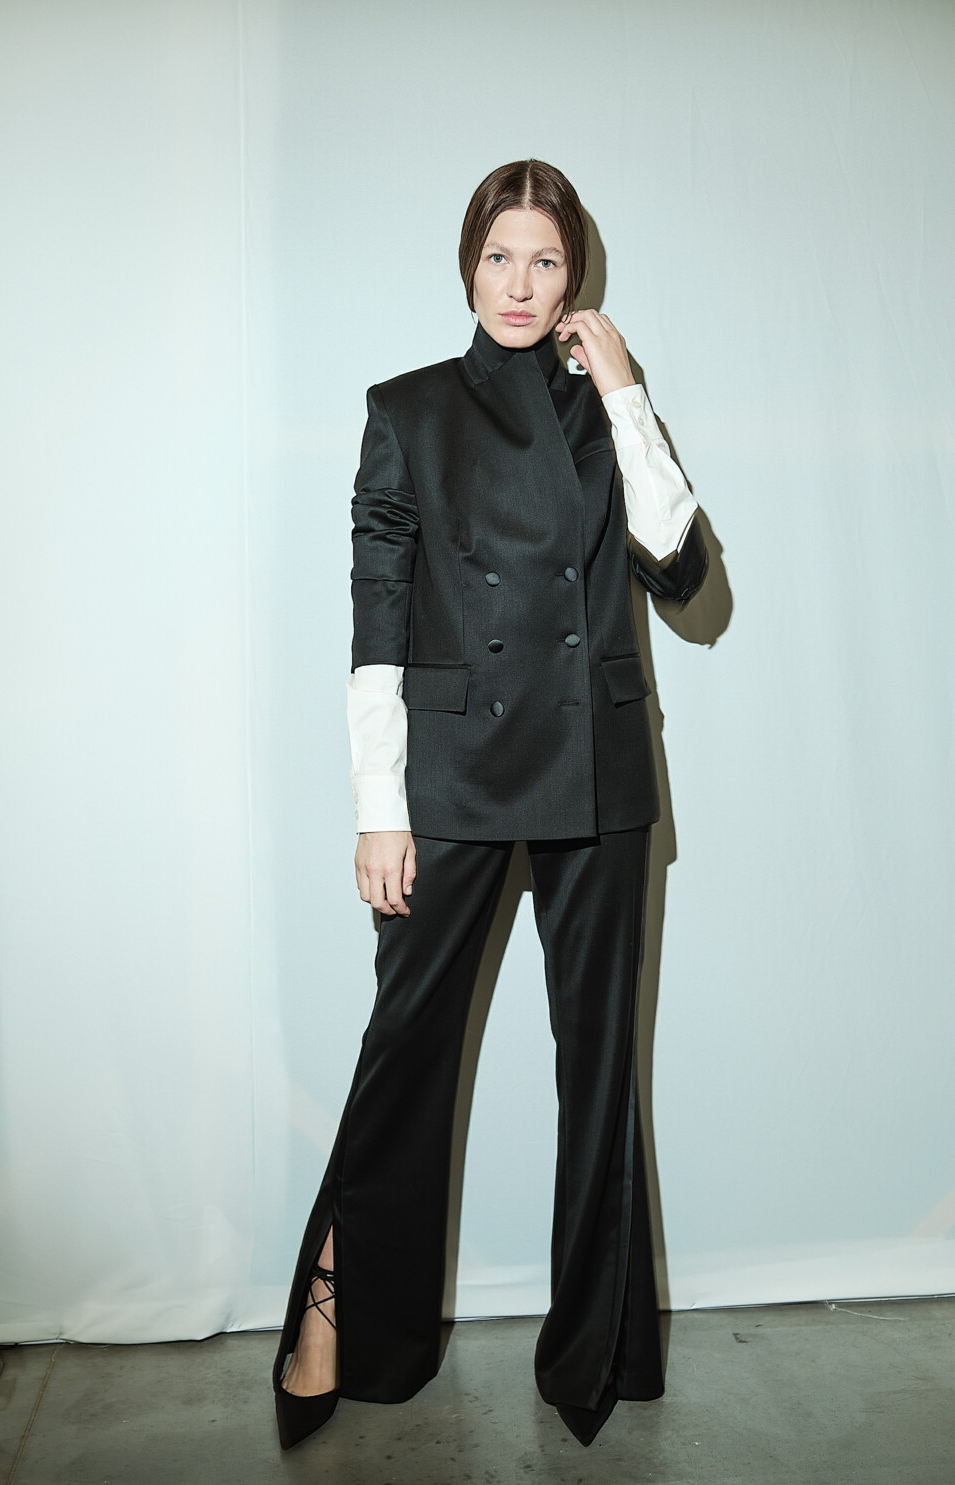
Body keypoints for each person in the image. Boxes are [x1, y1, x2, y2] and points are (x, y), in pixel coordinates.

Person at [272, 158, 708, 1451]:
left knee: (601, 1064)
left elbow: (682, 571)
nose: (519, 284)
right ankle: (347, 1314)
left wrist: (624, 392)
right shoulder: (406, 408)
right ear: (467, 264)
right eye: (499, 256)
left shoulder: (606, 409)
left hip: (598, 771)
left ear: (576, 278)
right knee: (402, 1053)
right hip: (451, 777)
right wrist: (379, 805)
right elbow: (378, 620)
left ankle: (595, 1351)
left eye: (546, 261)